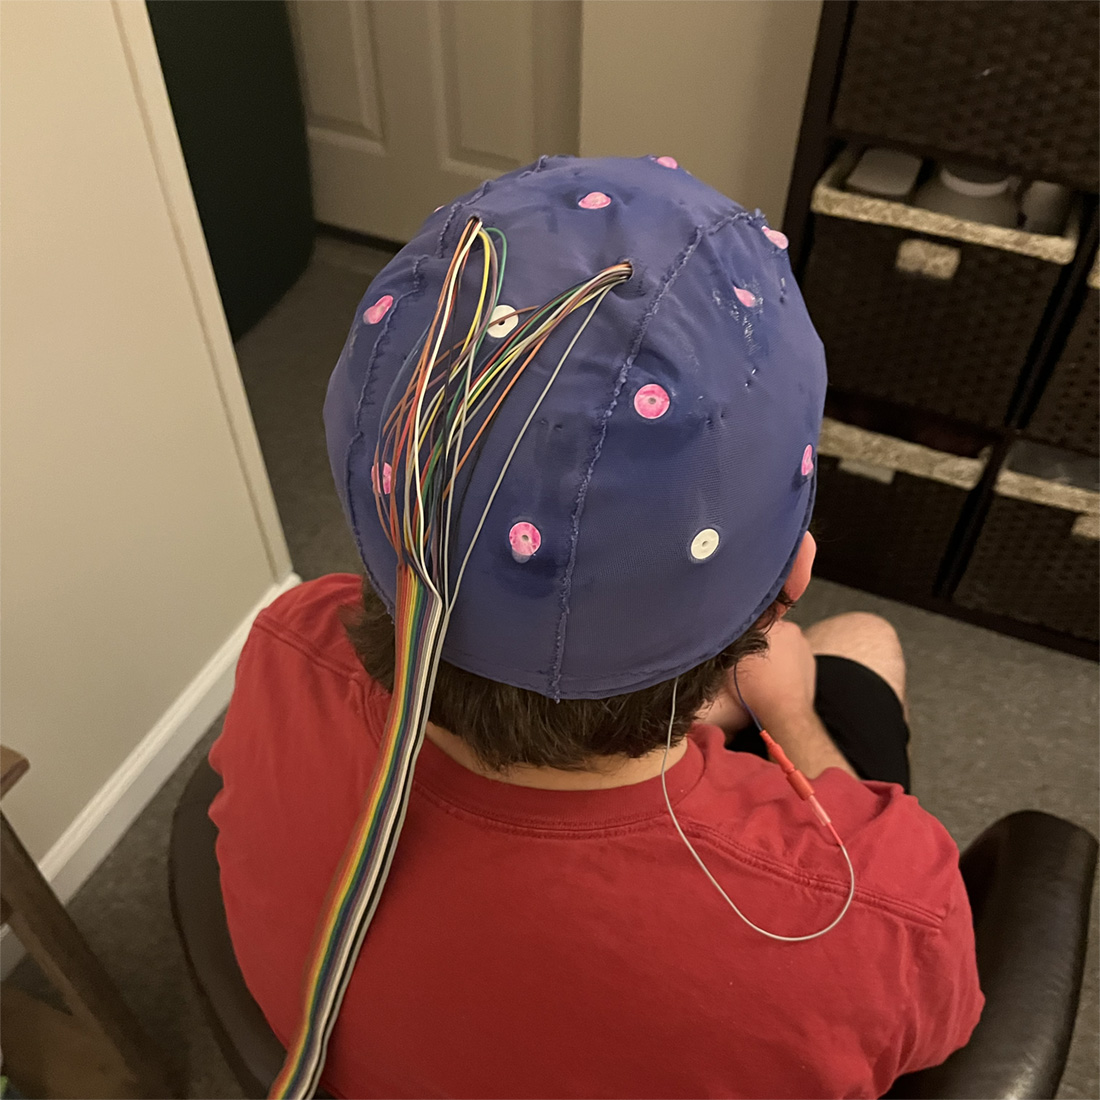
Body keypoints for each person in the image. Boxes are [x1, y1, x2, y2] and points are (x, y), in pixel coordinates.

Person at [210, 156, 983, 1100]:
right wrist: (788, 718)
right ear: (792, 574)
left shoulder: (291, 644)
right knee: (861, 647)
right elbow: (942, 1034)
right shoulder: (878, 909)